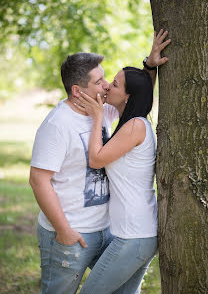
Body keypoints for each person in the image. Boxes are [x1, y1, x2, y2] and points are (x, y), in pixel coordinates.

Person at [29, 29, 170, 294]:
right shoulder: (57, 125)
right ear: (77, 90)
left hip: (107, 232)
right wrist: (64, 231)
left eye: (108, 80)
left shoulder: (102, 110)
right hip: (70, 235)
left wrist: (149, 66)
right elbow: (38, 180)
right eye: (99, 81)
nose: (106, 85)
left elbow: (136, 97)